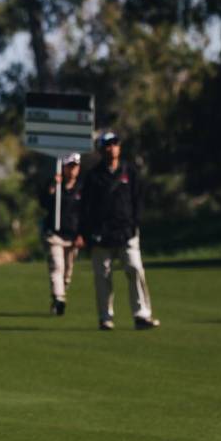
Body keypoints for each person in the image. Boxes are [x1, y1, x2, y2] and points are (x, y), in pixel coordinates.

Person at [81, 131, 160, 331]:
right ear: (101, 149)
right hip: (101, 235)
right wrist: (88, 234)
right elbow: (86, 208)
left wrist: (134, 224)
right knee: (103, 277)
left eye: (115, 143)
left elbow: (137, 199)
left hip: (126, 232)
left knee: (134, 269)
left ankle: (142, 315)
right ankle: (105, 317)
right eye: (108, 144)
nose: (112, 147)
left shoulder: (129, 171)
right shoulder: (93, 176)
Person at [39, 152, 85, 315]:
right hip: (54, 235)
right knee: (57, 267)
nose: (72, 170)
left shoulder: (82, 189)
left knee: (67, 274)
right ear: (63, 167)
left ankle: (59, 298)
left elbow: (86, 214)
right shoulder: (55, 186)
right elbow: (43, 203)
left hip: (72, 237)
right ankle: (59, 299)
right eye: (69, 166)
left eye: (75, 166)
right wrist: (52, 187)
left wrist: (82, 235)